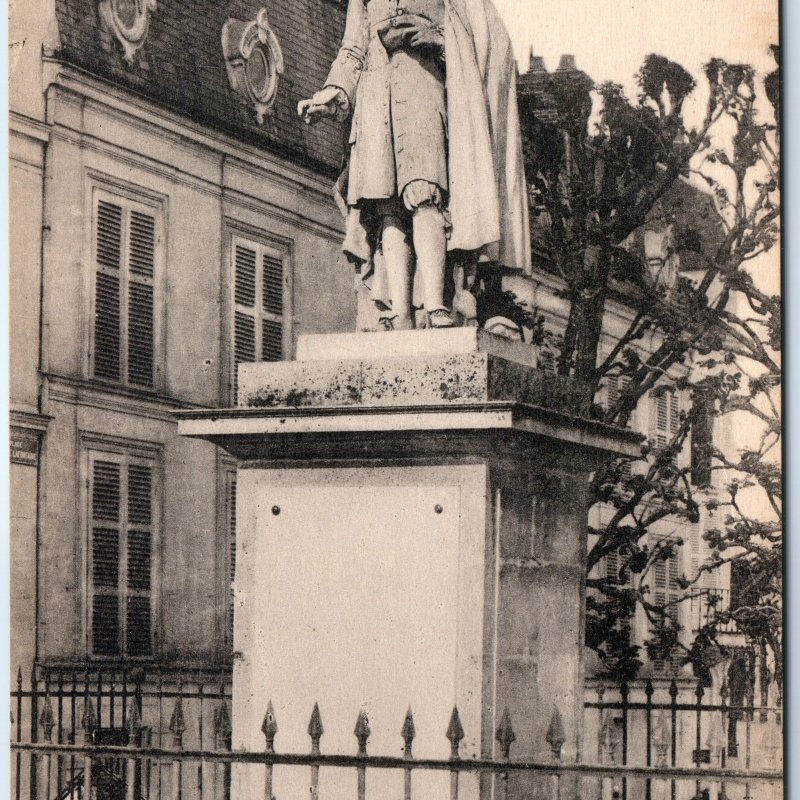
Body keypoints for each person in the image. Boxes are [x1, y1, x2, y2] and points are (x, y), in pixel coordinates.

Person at [299, 0, 531, 330]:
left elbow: (487, 39)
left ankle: (436, 304)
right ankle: (400, 311)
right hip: (376, 102)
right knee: (387, 208)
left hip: (426, 93)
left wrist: (439, 39)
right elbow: (352, 49)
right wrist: (332, 92)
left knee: (424, 194)